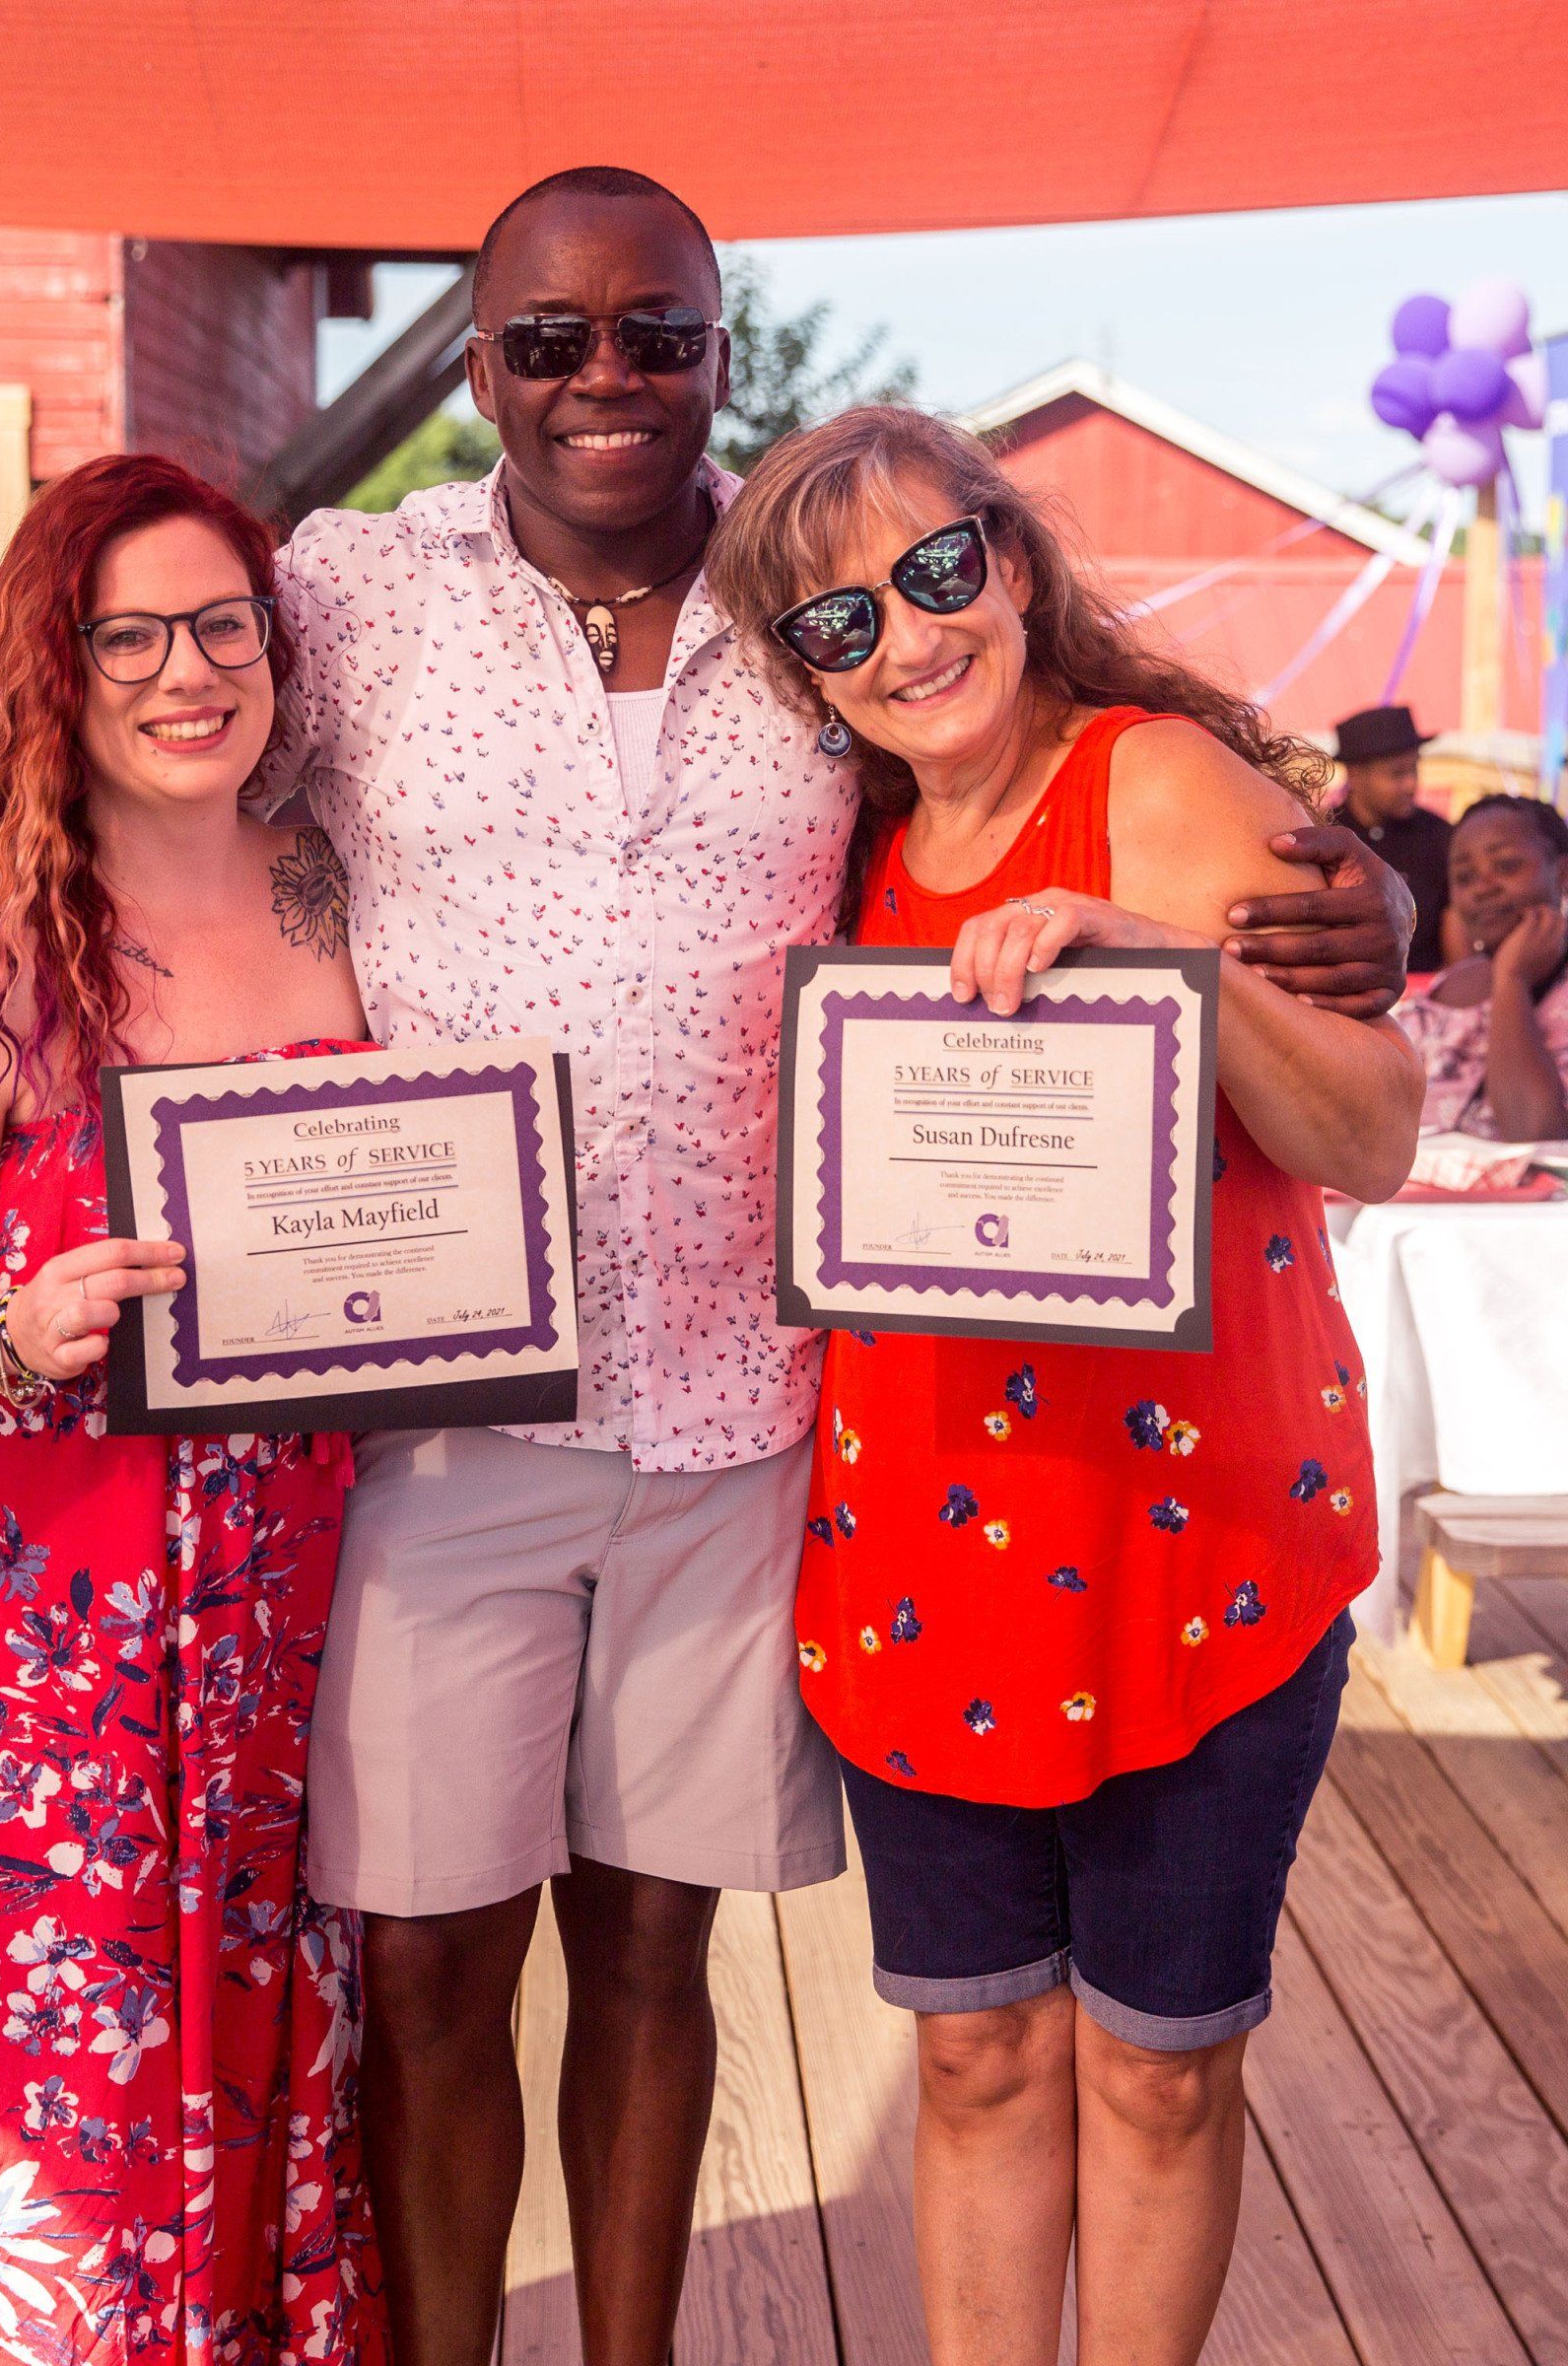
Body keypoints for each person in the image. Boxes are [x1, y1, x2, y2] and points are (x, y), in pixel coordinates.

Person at [0, 171, 1412, 2366]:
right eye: (545, 339)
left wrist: (1351, 873)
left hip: (750, 1420)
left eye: (657, 335)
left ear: (720, 345)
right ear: (478, 360)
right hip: (436, 1423)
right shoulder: (349, 590)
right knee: (427, 1966)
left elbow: (1081, 722)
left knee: (652, 1950)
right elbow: (119, 744)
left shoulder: (807, 607)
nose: (603, 378)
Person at [709, 404, 1422, 2366]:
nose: (907, 637)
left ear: (1011, 563)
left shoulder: (1160, 782)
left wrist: (1153, 970)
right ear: (805, 675)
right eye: (839, 621)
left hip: (1199, 1558)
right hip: (922, 1558)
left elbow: (1371, 1132)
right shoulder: (831, 853)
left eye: (939, 572)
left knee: (1165, 2074)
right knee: (978, 2064)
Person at [0, 453, 383, 2363]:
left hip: (286, 1628)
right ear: (51, 668)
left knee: (252, 2035)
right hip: (45, 1642)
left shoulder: (340, 898)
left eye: (221, 623)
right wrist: (10, 1328)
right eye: (122, 633)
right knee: (58, 2078)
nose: (183, 671)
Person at [1396, 792, 1568, 1140]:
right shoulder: (1447, 990)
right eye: (1464, 876)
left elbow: (1534, 1134)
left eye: (1506, 866)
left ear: (1562, 873)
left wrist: (1512, 980)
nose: (1481, 889)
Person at [1333, 703, 1450, 970]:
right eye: (1397, 773)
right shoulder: (1327, 836)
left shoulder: (1439, 836)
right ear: (1355, 774)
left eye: (1414, 769)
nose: (1411, 784)